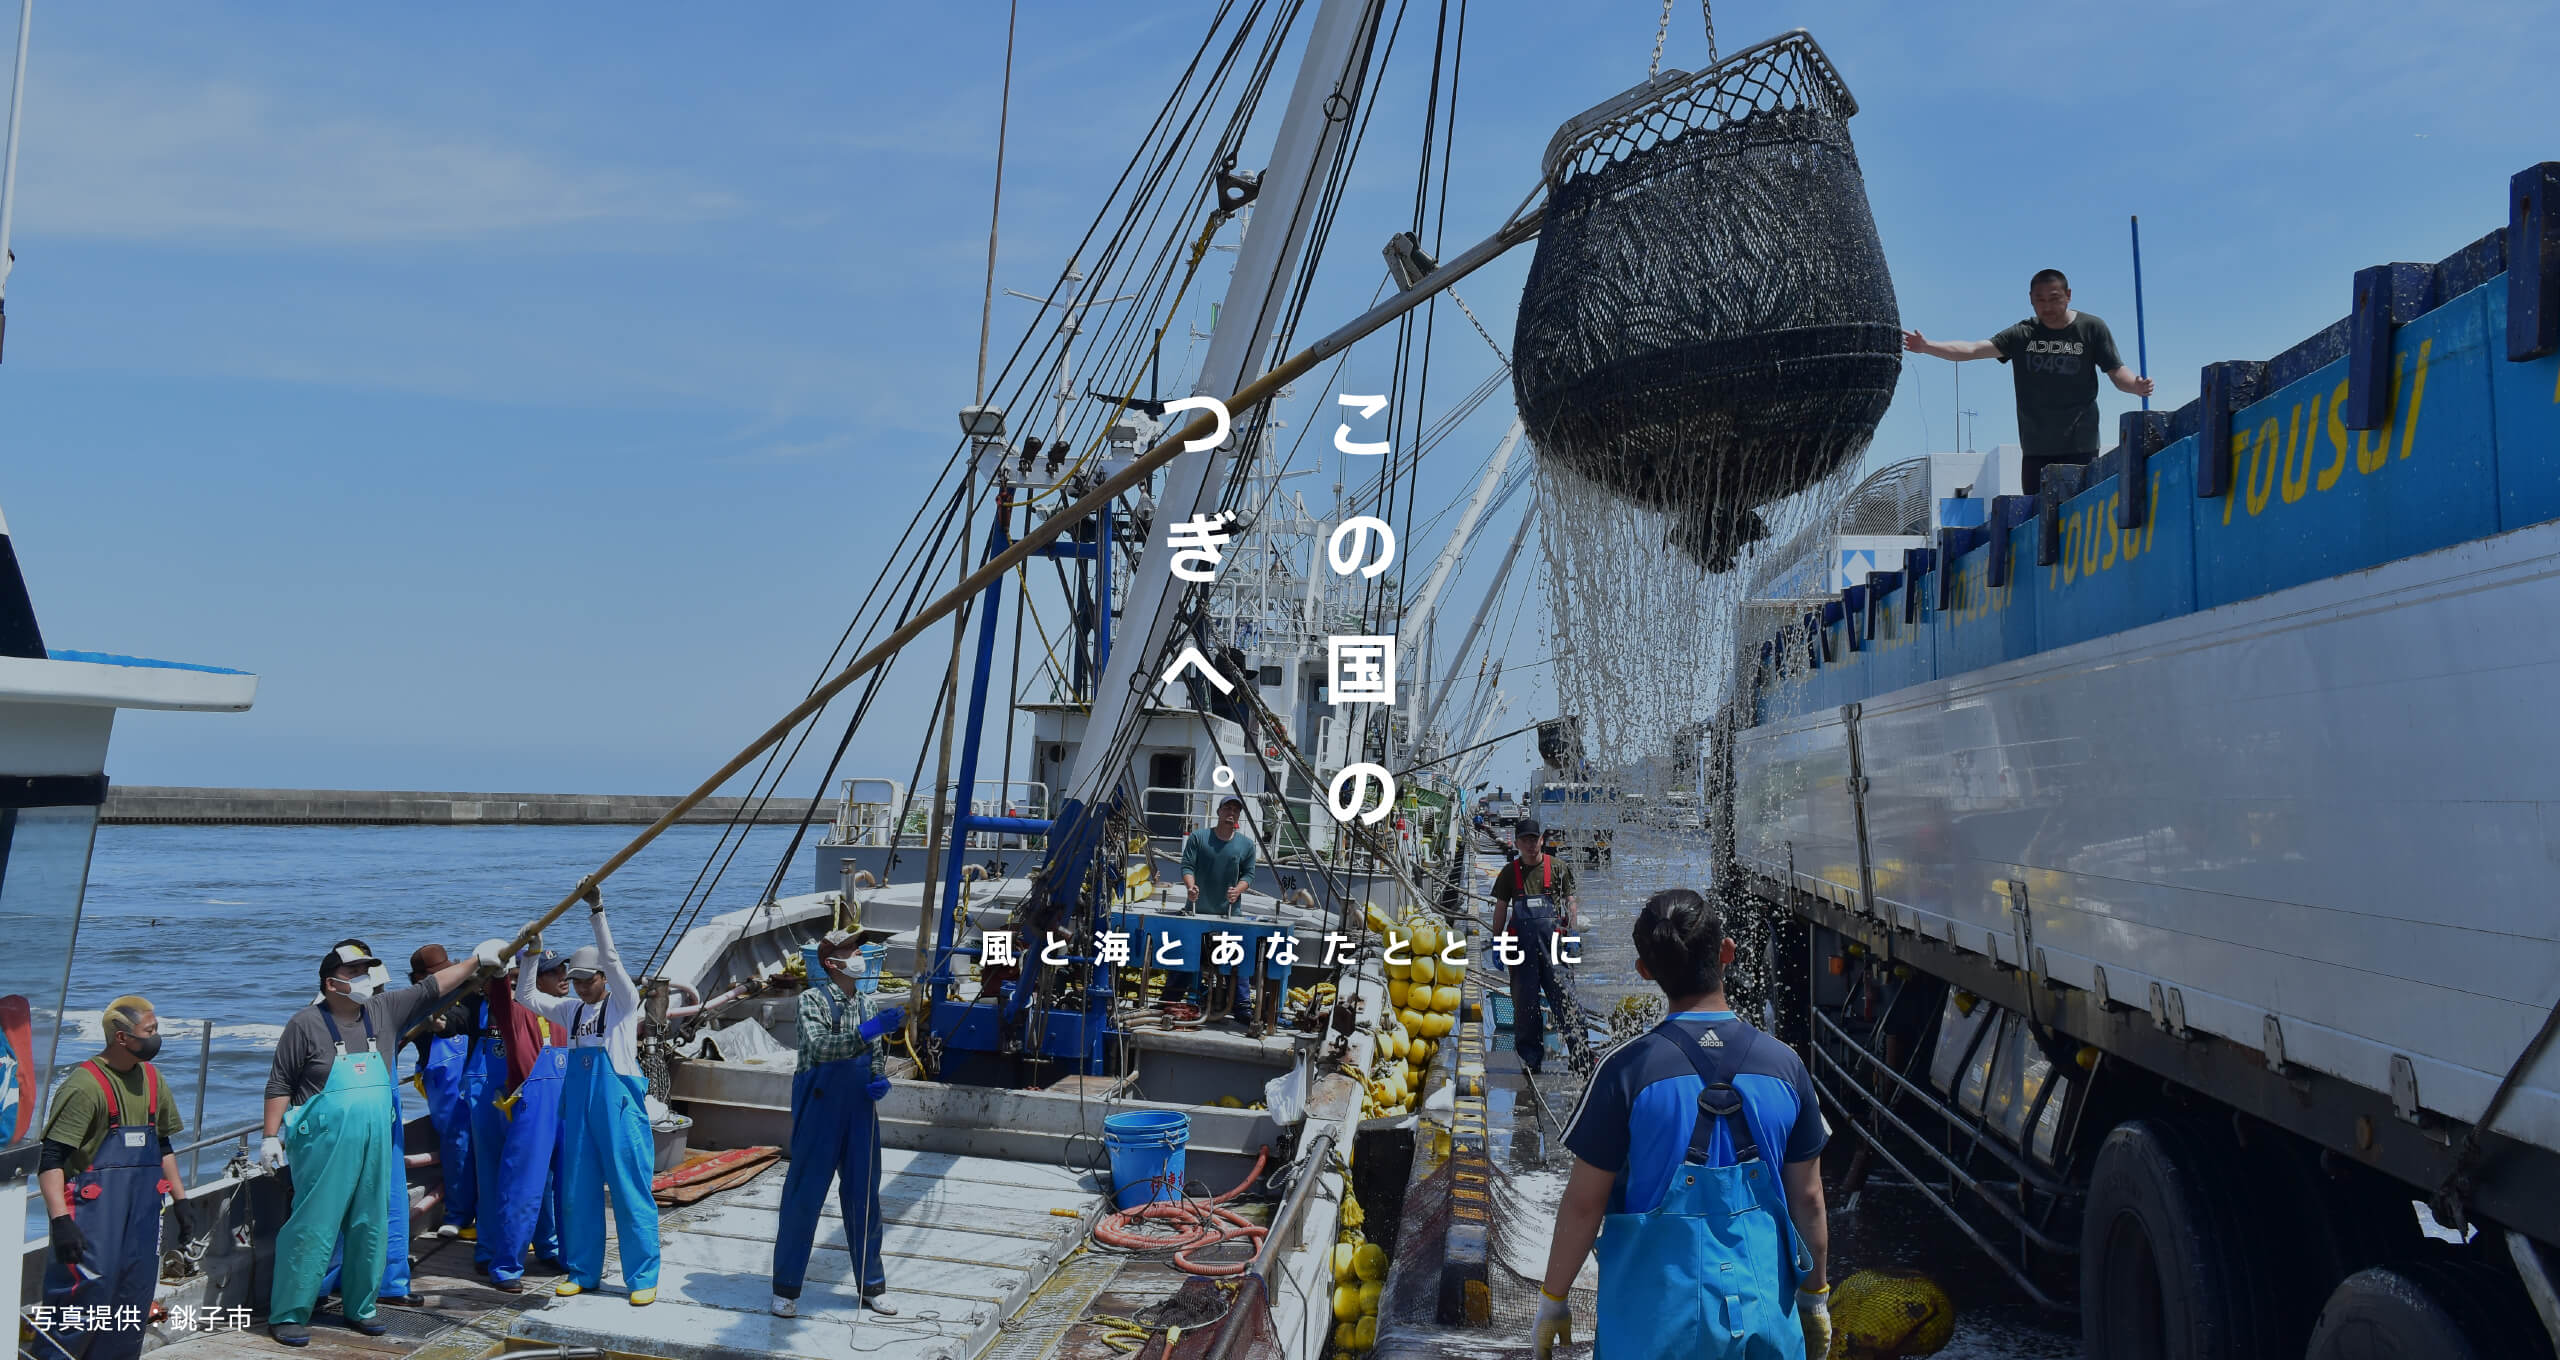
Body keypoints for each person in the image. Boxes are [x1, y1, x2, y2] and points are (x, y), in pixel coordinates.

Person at [1530, 889, 1831, 1360]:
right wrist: (1814, 1300)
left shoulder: (1624, 1073)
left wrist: (1554, 1299)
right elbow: (1808, 1199)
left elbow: (1584, 1204)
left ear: (1645, 971)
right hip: (1765, 1328)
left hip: (1650, 1332)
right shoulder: (1785, 1068)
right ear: (1727, 952)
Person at [263, 939, 503, 1346]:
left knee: (369, 1225)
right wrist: (270, 1137)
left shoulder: (382, 1011)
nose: (363, 979)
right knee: (313, 1227)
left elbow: (434, 987)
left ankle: (361, 1307)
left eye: (366, 971)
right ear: (330, 982)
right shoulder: (304, 1023)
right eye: (353, 972)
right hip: (324, 1145)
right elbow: (280, 1082)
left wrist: (478, 959)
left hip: (375, 1140)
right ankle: (288, 1312)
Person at [516, 888, 660, 1306]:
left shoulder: (623, 1005)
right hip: (579, 1112)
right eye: (574, 981)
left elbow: (613, 960)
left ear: (602, 979)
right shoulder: (570, 1012)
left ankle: (643, 1276)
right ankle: (582, 1270)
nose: (578, 987)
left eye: (586, 979)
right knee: (578, 1191)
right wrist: (531, 954)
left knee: (631, 1192)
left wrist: (597, 911)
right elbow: (525, 997)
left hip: (618, 1113)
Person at [1901, 268, 2157, 494]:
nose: (2047, 307)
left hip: (2081, 442)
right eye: (2039, 300)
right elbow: (1972, 350)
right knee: (2039, 519)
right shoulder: (2023, 334)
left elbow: (2116, 370)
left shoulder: (2091, 328)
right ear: (2031, 301)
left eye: (2054, 299)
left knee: (2083, 509)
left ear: (2068, 295)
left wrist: (2135, 385)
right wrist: (1927, 346)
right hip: (2037, 446)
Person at [37, 996, 186, 1360]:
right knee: (86, 1297)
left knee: (132, 1298)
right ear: (122, 1037)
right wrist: (60, 1222)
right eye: (149, 1031)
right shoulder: (85, 1086)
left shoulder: (153, 1079)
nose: (156, 1037)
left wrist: (182, 1201)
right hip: (91, 1216)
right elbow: (51, 1160)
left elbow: (163, 1146)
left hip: (142, 1213)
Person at [769, 930, 905, 1319]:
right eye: (851, 950)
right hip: (820, 1106)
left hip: (861, 1108)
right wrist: (869, 1031)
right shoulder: (811, 1000)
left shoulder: (866, 1002)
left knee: (865, 1196)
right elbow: (820, 1046)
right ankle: (786, 1288)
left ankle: (872, 1285)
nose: (860, 954)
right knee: (804, 1196)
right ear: (832, 963)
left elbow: (875, 1053)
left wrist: (879, 1077)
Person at [473, 945, 569, 1291]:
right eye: (555, 972)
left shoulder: (567, 1011)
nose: (564, 978)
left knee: (565, 1186)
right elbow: (500, 991)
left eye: (565, 970)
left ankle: (556, 1249)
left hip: (565, 1106)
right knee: (523, 1189)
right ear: (535, 978)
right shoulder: (514, 1011)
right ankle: (506, 1265)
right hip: (532, 1109)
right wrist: (515, 959)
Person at [1488, 818, 1581, 1076]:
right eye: (1525, 840)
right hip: (1521, 949)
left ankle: (1581, 1055)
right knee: (1525, 1005)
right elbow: (1500, 909)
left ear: (1542, 840)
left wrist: (1572, 936)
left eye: (1534, 839)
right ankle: (1530, 1059)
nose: (1530, 845)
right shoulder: (1510, 873)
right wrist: (1498, 941)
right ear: (1517, 843)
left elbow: (1570, 902)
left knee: (1566, 1000)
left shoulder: (1559, 868)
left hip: (1554, 949)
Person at [406, 944, 479, 1245]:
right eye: (438, 974)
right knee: (456, 1147)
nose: (446, 977)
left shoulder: (469, 995)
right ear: (418, 979)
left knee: (486, 1147)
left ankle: (485, 1213)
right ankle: (459, 1214)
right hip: (443, 1090)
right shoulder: (414, 1007)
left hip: (475, 1080)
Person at [1169, 795, 1259, 1010]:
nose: (1231, 813)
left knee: (1237, 964)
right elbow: (1187, 866)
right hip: (1196, 913)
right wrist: (1191, 887)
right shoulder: (1199, 838)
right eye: (1227, 808)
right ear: (1218, 812)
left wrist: (1237, 890)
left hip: (1229, 916)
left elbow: (1249, 874)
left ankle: (1242, 1007)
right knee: (1183, 962)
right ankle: (1169, 1001)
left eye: (1236, 810)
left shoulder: (1246, 845)